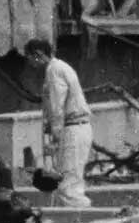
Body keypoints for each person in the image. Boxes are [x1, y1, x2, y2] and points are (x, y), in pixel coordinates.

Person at [24, 37, 92, 207]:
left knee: (69, 189)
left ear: (38, 55)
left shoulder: (54, 70)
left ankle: (82, 222)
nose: (30, 64)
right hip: (76, 128)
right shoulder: (60, 67)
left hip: (72, 129)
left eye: (30, 58)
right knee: (69, 182)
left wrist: (55, 138)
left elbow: (56, 106)